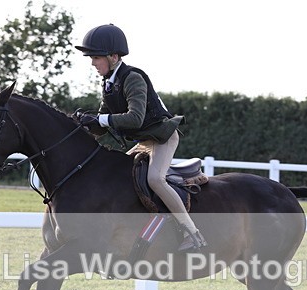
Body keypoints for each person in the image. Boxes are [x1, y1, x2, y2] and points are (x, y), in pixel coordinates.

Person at [74, 24, 207, 252]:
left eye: (96, 58)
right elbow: (104, 123)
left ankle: (192, 233)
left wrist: (101, 120)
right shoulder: (109, 84)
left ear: (113, 57)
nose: (93, 63)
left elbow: (134, 118)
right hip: (145, 141)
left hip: (163, 137)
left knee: (156, 179)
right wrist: (83, 124)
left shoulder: (132, 78)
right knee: (118, 176)